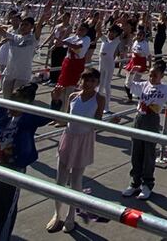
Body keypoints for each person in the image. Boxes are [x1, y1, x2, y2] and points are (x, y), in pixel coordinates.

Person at [0, 80, 58, 240]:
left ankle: (1, 237)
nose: (13, 106)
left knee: (5, 208)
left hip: (13, 169)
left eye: (19, 102)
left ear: (28, 104)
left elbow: (48, 116)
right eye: (12, 101)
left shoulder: (29, 119)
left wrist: (56, 102)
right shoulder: (6, 114)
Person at [47, 68, 105, 233]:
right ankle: (57, 214)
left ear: (97, 83)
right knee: (60, 180)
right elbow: (64, 120)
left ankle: (70, 215)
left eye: (93, 81)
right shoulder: (73, 96)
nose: (88, 84)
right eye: (86, 80)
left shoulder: (99, 98)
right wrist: (55, 100)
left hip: (84, 140)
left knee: (76, 181)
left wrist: (111, 122)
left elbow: (98, 122)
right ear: (81, 80)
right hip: (68, 138)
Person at [123, 59, 167, 200]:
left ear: (161, 76)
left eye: (155, 75)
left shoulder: (164, 88)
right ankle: (135, 183)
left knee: (149, 153)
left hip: (152, 120)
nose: (151, 78)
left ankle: (147, 184)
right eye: (150, 75)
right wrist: (131, 73)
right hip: (139, 118)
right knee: (136, 152)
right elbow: (129, 85)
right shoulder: (144, 85)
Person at [123, 26, 152, 103]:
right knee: (128, 81)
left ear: (143, 36)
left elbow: (148, 55)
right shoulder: (135, 41)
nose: (138, 36)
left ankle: (140, 97)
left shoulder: (145, 44)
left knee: (136, 82)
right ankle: (131, 97)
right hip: (133, 62)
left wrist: (150, 65)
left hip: (140, 63)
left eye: (140, 35)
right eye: (137, 35)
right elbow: (132, 51)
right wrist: (130, 54)